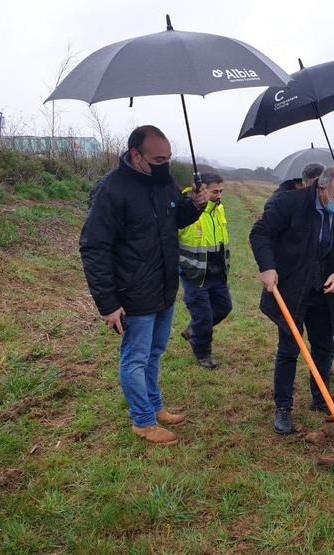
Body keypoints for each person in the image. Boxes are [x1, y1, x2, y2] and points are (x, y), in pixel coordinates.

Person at [80, 125, 209, 445]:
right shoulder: (111, 190)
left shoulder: (163, 182)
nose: (165, 164)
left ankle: (154, 406)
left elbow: (173, 220)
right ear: (136, 155)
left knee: (154, 353)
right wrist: (108, 304)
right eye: (158, 158)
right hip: (132, 292)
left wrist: (194, 205)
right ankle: (143, 420)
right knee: (135, 358)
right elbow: (94, 247)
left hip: (164, 287)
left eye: (168, 158)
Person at [249, 164, 334, 435]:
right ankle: (283, 407)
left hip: (325, 290)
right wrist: (267, 266)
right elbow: (260, 233)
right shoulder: (290, 203)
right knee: (289, 348)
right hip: (292, 288)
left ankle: (321, 399)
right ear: (321, 189)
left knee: (324, 347)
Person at [178, 173, 232, 370]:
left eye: (221, 191)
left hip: (217, 272)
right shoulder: (186, 209)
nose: (219, 195)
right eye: (215, 191)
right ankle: (203, 353)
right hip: (194, 272)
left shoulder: (219, 209)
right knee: (203, 316)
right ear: (202, 188)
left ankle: (193, 329)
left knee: (224, 307)